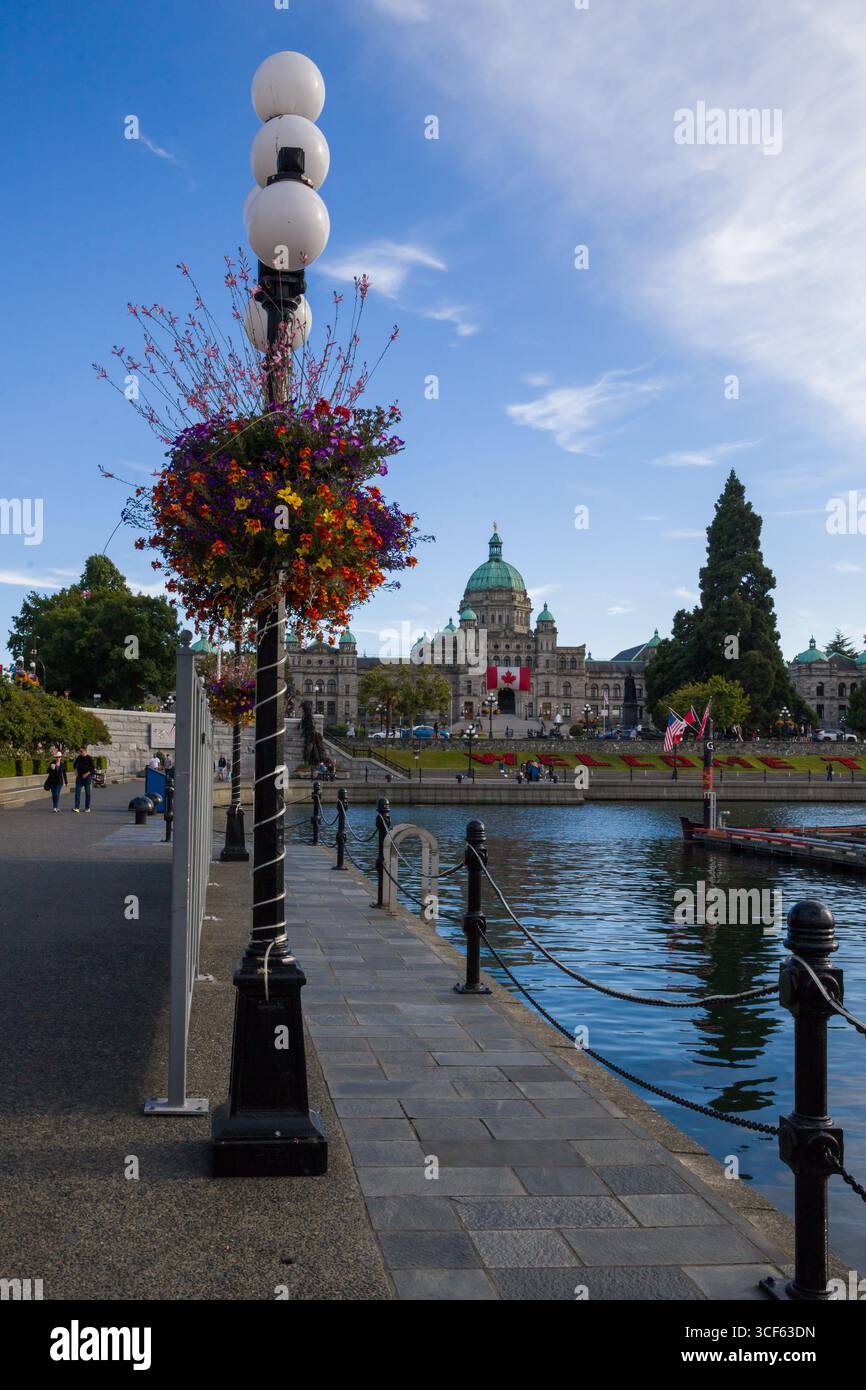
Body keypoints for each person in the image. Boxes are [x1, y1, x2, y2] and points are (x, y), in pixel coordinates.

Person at [72, 745, 95, 812]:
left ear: (85, 751)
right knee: (77, 792)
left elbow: (92, 768)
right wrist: (75, 771)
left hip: (87, 778)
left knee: (87, 793)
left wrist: (87, 774)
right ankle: (77, 808)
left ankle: (87, 808)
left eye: (81, 751)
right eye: (79, 751)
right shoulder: (79, 757)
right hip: (79, 777)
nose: (80, 752)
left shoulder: (89, 758)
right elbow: (74, 765)